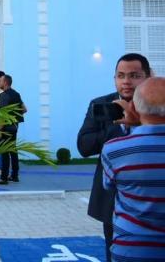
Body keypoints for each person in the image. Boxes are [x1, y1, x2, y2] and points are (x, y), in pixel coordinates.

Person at [77, 53, 151, 262]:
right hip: (112, 197)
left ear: (147, 76)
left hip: (153, 196)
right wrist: (118, 126)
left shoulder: (157, 106)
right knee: (114, 250)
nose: (126, 81)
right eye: (120, 75)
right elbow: (84, 146)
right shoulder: (101, 105)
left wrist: (141, 124)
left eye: (134, 75)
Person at [101, 77, 165, 262]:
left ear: (134, 109)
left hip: (132, 250)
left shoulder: (114, 150)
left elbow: (109, 187)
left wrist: (133, 128)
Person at [0, 74, 26, 185]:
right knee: (13, 151)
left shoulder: (4, 95)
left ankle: (3, 178)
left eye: (0, 80)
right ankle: (15, 176)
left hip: (5, 128)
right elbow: (24, 109)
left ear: (5, 82)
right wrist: (14, 116)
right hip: (14, 127)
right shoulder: (16, 94)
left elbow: (2, 115)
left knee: (5, 153)